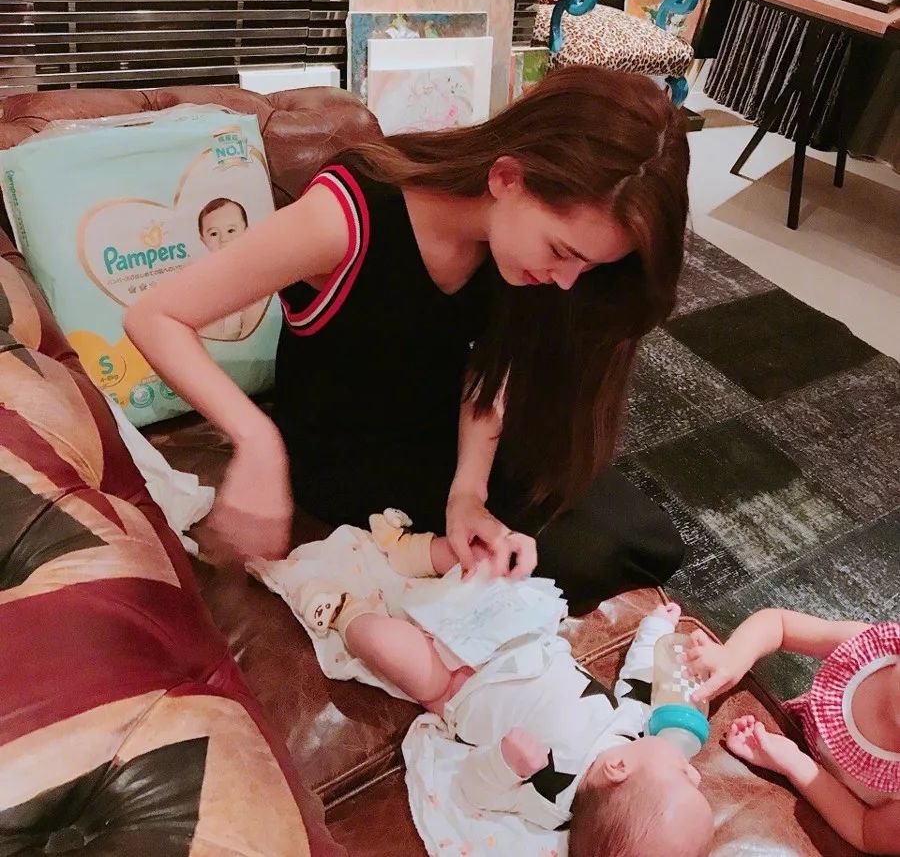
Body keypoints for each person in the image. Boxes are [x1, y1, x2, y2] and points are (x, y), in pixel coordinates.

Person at [124, 65, 691, 603]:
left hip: (447, 435)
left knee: (648, 542)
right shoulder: (345, 218)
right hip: (349, 455)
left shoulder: (516, 253)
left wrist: (468, 494)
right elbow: (155, 316)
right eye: (563, 252)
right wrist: (257, 441)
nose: (567, 281)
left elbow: (486, 364)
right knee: (586, 553)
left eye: (587, 265)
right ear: (506, 178)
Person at [299, 512, 712, 857]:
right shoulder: (636, 725)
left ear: (618, 770)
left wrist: (505, 764)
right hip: (512, 633)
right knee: (485, 560)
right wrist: (656, 629)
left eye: (683, 776)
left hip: (456, 687)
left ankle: (346, 613)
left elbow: (476, 791)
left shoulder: (552, 798)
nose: (695, 774)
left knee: (389, 649)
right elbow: (639, 678)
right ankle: (411, 551)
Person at [683, 609, 900, 855]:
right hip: (791, 726)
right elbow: (780, 625)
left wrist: (795, 763)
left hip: (829, 802)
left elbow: (865, 829)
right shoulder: (870, 650)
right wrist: (734, 656)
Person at [195, 198, 268, 342]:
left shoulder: (257, 265)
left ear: (246, 233)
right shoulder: (205, 274)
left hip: (251, 325)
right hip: (218, 328)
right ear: (203, 240)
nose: (223, 239)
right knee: (205, 320)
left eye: (231, 231)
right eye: (214, 234)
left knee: (255, 310)